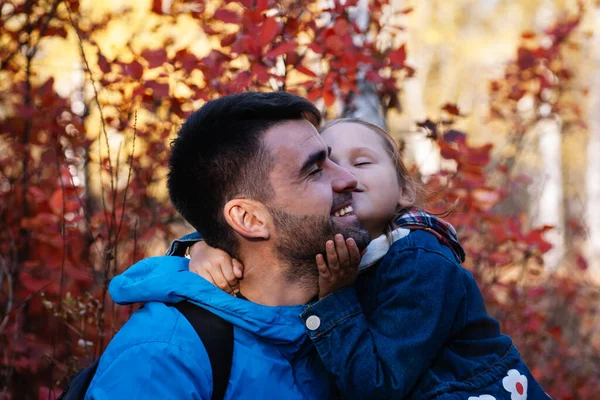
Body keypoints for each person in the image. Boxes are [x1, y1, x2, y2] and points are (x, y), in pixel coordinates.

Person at [181, 118, 550, 399]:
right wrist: (198, 247)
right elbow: (261, 236)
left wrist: (335, 298)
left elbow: (377, 387)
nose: (344, 177)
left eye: (362, 162)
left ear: (404, 190)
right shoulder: (326, 252)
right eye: (322, 167)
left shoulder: (421, 260)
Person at [84, 92, 371, 399]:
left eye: (332, 161)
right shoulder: (162, 358)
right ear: (248, 218)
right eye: (314, 170)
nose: (348, 179)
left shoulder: (367, 305)